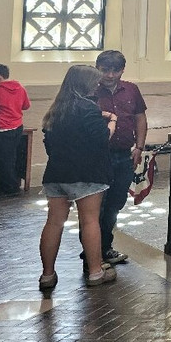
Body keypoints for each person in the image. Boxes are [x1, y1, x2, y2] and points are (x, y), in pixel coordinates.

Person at [39, 65, 117, 289]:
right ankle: (95, 273)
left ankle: (47, 275)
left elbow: (49, 144)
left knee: (54, 223)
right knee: (90, 221)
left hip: (56, 174)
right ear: (85, 84)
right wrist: (112, 120)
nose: (98, 85)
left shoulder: (56, 109)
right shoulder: (88, 108)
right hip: (87, 175)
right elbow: (102, 138)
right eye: (95, 82)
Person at [92, 50, 147, 266]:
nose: (110, 75)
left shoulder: (131, 90)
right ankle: (93, 252)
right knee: (96, 205)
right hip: (98, 156)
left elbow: (140, 118)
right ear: (98, 68)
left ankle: (104, 248)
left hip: (124, 155)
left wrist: (139, 147)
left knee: (116, 202)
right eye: (105, 70)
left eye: (116, 70)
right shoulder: (90, 91)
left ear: (122, 70)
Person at [0, 64, 31, 197]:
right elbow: (26, 106)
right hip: (17, 128)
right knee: (10, 159)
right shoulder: (20, 88)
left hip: (1, 130)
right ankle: (2, 188)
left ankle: (10, 188)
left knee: (0, 161)